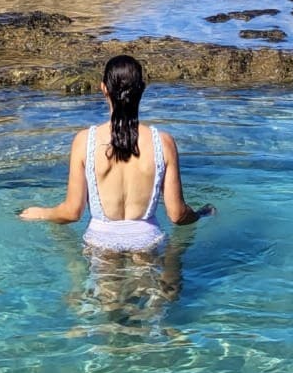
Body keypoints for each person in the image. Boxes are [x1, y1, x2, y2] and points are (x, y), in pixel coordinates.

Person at [19, 54, 214, 252]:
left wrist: (42, 213)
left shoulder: (85, 141)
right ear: (142, 88)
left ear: (103, 88)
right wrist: (199, 214)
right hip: (148, 243)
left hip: (100, 244)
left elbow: (72, 212)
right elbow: (177, 215)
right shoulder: (163, 143)